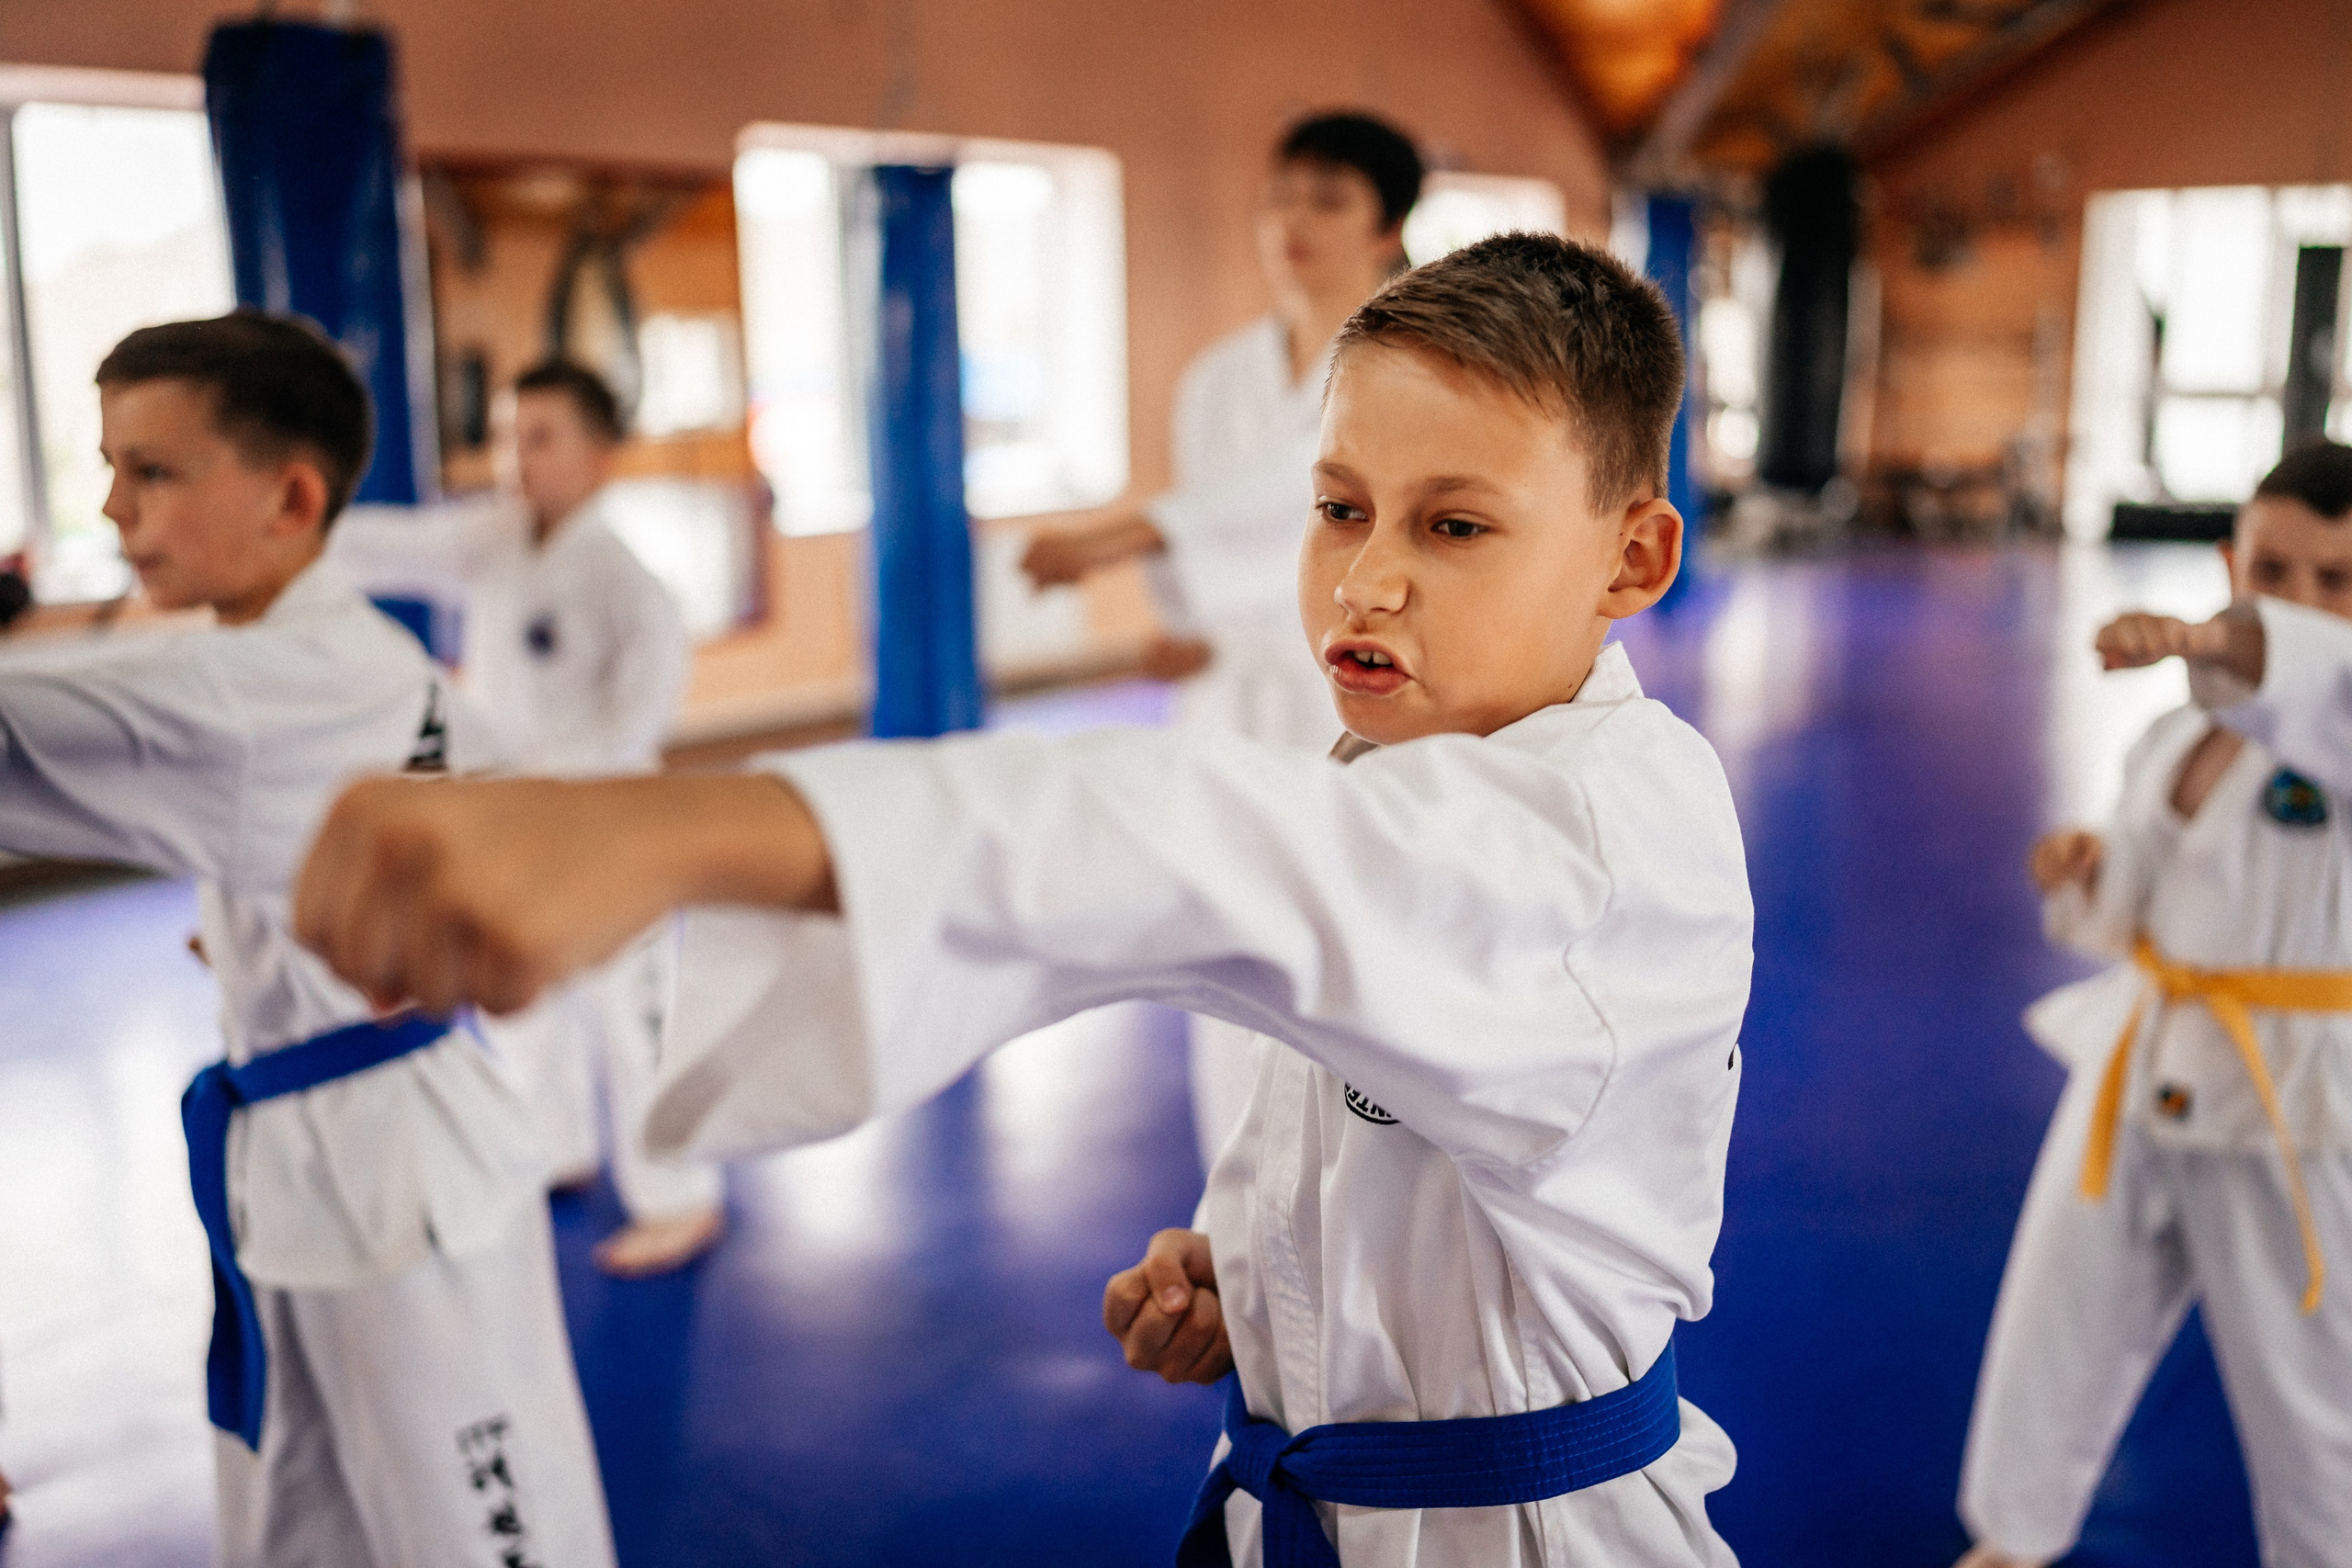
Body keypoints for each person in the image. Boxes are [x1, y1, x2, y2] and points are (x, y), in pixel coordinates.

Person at [294, 233, 1748, 1567]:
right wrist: (1262, 1274)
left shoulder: (1604, 839)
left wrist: (692, 826)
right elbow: (1336, 1068)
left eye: (1456, 528)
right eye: (1340, 507)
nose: (1366, 578)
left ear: (1634, 557)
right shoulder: (1394, 772)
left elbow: (1189, 849)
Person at [0, 312, 612, 1567]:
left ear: (289, 495)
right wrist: (284, 933)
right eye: (111, 467)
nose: (114, 507)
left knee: (491, 1539)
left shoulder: (249, 689)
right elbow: (478, 780)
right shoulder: (338, 659)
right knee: (299, 1529)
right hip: (300, 1168)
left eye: (152, 470)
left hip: (399, 1178)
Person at [1955, 440, 2352, 1568]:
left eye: (2339, 580)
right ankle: (2010, 1537)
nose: (2303, 602)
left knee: (2318, 1398)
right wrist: (2088, 876)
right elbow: (2133, 905)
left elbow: (2313, 679)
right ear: (2232, 562)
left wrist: (2199, 639)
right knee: (2056, 1322)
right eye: (2274, 571)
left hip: (2302, 1105)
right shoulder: (2176, 731)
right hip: (2146, 1054)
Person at [1020, 109, 1425, 1176]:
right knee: (1226, 964)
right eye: (1280, 196)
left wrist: (1109, 537)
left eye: (1327, 199)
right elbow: (1215, 529)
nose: (1293, 221)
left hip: (1372, 699)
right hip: (1235, 705)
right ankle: (1240, 1232)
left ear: (1388, 226)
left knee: (1344, 970)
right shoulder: (1218, 376)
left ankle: (1349, 1207)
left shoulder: (1412, 359)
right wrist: (1186, 627)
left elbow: (1284, 491)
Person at [336, 359, 721, 1278]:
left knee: (635, 1022)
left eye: (542, 436)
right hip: (510, 819)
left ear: (599, 454)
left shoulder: (632, 586)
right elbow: (392, 546)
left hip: (607, 829)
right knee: (521, 1000)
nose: (519, 457)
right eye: (511, 435)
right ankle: (555, 1148)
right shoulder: (494, 541)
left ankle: (680, 1197)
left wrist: (532, 786)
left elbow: (637, 725)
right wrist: (286, 520)